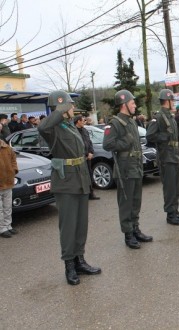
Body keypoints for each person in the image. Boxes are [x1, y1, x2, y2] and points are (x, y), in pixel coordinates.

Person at [38, 90, 101, 285]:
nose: (73, 108)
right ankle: (69, 266)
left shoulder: (71, 127)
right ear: (63, 107)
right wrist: (60, 109)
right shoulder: (54, 128)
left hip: (80, 180)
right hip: (65, 184)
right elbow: (42, 127)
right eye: (70, 105)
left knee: (81, 225)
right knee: (68, 227)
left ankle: (79, 260)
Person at [103, 90, 152, 248]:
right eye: (133, 103)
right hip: (124, 168)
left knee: (136, 201)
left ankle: (136, 229)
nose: (135, 105)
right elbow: (107, 145)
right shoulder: (115, 123)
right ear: (124, 105)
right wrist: (126, 141)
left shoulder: (131, 122)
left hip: (135, 166)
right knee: (126, 203)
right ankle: (128, 234)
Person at [146, 89, 179, 225]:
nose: (174, 104)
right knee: (169, 187)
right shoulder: (158, 117)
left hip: (173, 156)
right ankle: (170, 214)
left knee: (175, 186)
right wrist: (164, 137)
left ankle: (175, 210)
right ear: (168, 101)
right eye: (172, 101)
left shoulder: (170, 116)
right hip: (166, 157)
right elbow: (150, 135)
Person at [74, 115, 100, 200]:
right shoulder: (74, 132)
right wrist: (85, 154)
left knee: (89, 174)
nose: (84, 122)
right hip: (80, 158)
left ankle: (91, 193)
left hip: (88, 157)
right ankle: (82, 195)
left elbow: (89, 142)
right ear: (78, 121)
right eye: (83, 120)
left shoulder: (84, 130)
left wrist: (91, 152)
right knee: (80, 177)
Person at [0, 138, 18, 238]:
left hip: (7, 182)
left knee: (7, 207)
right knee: (0, 209)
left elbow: (13, 159)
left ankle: (8, 226)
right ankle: (2, 228)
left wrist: (14, 171)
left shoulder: (7, 148)